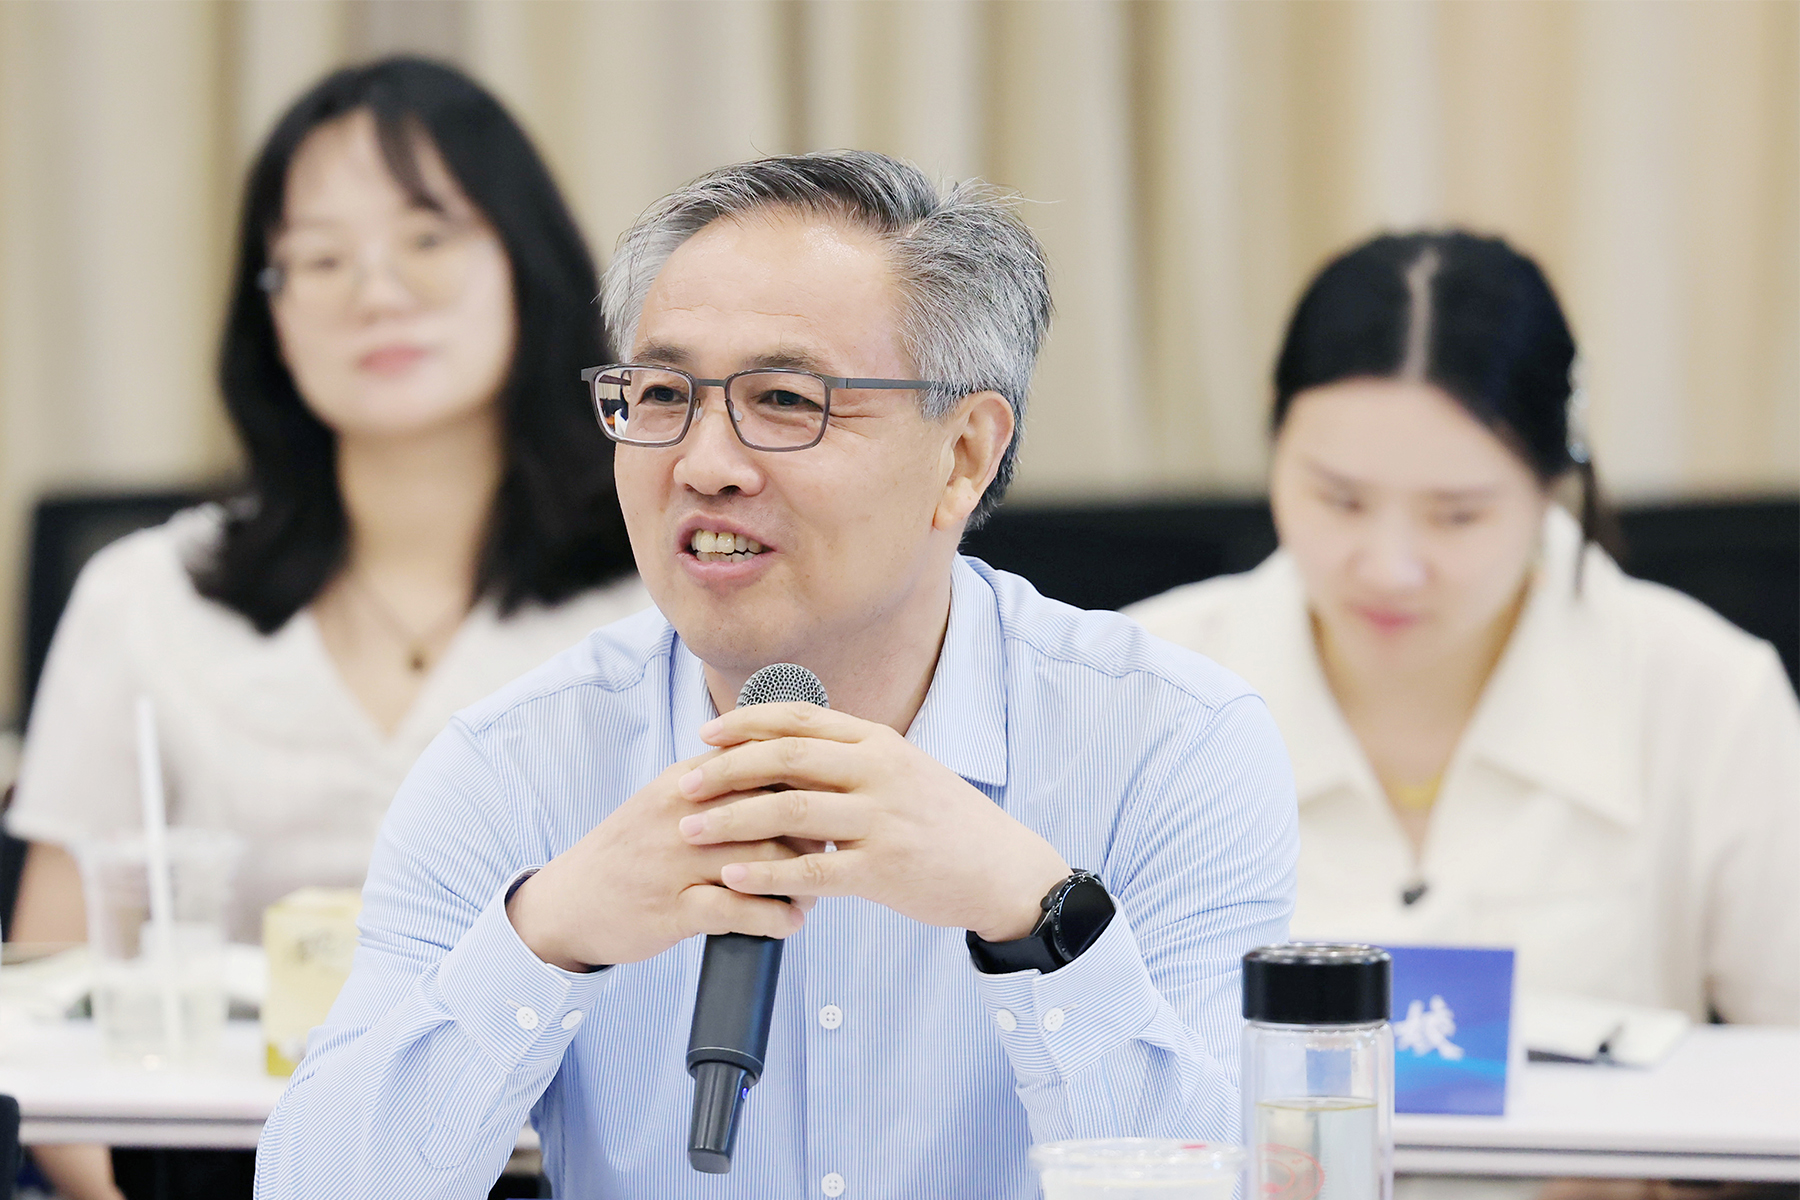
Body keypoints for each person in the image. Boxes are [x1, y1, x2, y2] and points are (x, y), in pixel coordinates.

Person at [253, 150, 1298, 1198]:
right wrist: (546, 938)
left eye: (788, 400)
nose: (704, 464)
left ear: (964, 456)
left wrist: (1039, 919)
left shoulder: (1170, 743)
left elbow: (1252, 1184)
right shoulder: (515, 764)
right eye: (663, 394)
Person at [8, 57, 645, 1200]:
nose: (376, 291)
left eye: (427, 236)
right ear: (273, 316)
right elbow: (56, 1006)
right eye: (318, 257)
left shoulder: (658, 600)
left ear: (528, 267)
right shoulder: (146, 597)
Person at [1128, 231, 1799, 1028]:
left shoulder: (1710, 699)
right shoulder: (1136, 685)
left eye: (1457, 515)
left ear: (1552, 486)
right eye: (1340, 500)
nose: (1389, 568)